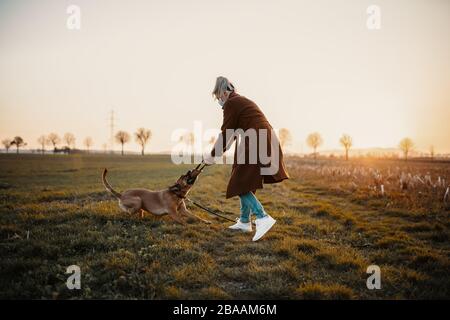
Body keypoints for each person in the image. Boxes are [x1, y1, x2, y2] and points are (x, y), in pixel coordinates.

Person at [203, 76, 289, 241]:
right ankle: (244, 222)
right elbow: (231, 136)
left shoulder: (231, 103)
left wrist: (212, 155)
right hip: (261, 138)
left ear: (224, 91)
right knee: (243, 178)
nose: (219, 100)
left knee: (239, 182)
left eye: (219, 96)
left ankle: (262, 217)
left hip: (257, 140)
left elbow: (226, 133)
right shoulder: (239, 101)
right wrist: (218, 153)